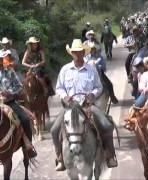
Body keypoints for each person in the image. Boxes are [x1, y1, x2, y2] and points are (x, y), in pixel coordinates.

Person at [51, 39, 118, 171]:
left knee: (106, 124)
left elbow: (98, 87)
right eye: (75, 52)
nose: (77, 54)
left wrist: (92, 94)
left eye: (80, 51)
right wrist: (65, 96)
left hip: (87, 106)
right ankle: (60, 157)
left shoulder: (91, 69)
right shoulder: (65, 69)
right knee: (54, 130)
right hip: (70, 107)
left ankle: (109, 155)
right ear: (72, 53)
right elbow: (59, 88)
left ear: (83, 52)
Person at [0, 48, 37, 158]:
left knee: (25, 119)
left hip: (9, 102)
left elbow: (19, 86)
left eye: (0, 60)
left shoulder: (10, 72)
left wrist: (9, 93)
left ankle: (28, 146)